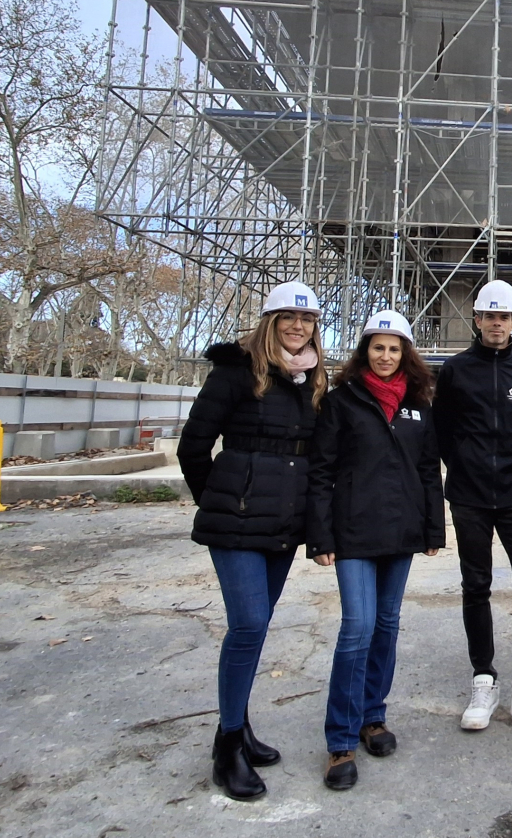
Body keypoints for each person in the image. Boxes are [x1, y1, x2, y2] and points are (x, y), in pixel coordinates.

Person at [178, 281, 328, 800]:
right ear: (268, 322)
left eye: (305, 320)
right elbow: (193, 446)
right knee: (246, 625)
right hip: (237, 521)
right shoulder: (234, 373)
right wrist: (219, 499)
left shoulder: (313, 381)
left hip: (284, 524)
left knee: (257, 627)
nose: (296, 326)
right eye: (286, 317)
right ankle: (226, 747)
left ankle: (239, 728)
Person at [307, 310, 445, 791]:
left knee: (387, 625)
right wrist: (320, 536)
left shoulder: (418, 404)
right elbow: (320, 470)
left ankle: (373, 718)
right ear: (364, 351)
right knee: (357, 629)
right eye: (377, 347)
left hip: (402, 531)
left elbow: (429, 470)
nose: (385, 356)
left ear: (406, 353)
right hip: (353, 534)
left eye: (394, 348)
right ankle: (341, 740)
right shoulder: (342, 401)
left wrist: (433, 528)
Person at [432, 279, 512, 738]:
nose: (497, 324)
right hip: (469, 498)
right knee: (475, 585)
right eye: (489, 316)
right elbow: (442, 431)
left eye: (505, 316)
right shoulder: (456, 370)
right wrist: (465, 467)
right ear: (478, 320)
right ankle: (483, 678)